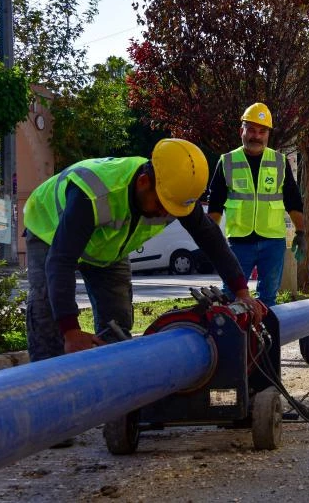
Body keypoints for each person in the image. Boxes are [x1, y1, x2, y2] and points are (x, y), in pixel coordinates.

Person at [23, 138, 266, 362]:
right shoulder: (95, 194)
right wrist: (71, 330)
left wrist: (241, 291)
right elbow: (60, 261)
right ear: (143, 182)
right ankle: (44, 393)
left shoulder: (173, 193)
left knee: (117, 325)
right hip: (49, 230)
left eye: (172, 210)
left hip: (106, 249)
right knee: (48, 318)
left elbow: (211, 239)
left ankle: (114, 390)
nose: (165, 214)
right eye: (162, 205)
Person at [208, 102, 306, 310]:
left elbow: (293, 200)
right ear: (241, 130)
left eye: (262, 131)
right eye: (251, 130)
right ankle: (234, 341)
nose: (256, 136)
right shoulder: (227, 162)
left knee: (268, 300)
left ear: (268, 134)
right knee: (232, 297)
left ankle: (264, 341)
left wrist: (301, 233)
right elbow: (215, 204)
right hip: (238, 243)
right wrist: (211, 240)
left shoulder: (279, 162)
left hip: (272, 242)